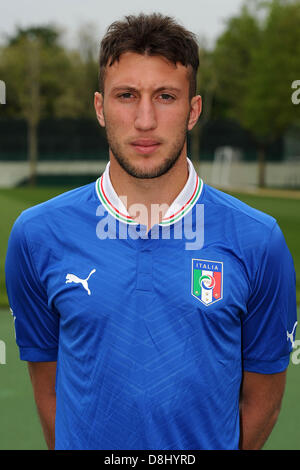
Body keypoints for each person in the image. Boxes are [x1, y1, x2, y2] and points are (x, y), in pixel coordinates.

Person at [5, 13, 297, 451]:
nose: (145, 120)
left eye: (165, 96)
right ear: (101, 108)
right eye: (126, 96)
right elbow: (50, 390)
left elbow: (263, 403)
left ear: (193, 110)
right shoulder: (37, 234)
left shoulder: (259, 241)